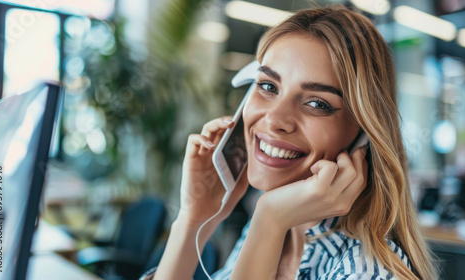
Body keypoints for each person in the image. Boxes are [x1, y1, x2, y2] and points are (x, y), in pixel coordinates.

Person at [141, 5, 438, 280]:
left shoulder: (368, 270)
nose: (275, 119)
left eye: (317, 103)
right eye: (268, 86)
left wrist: (268, 220)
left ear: (364, 134)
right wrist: (194, 219)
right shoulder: (274, 231)